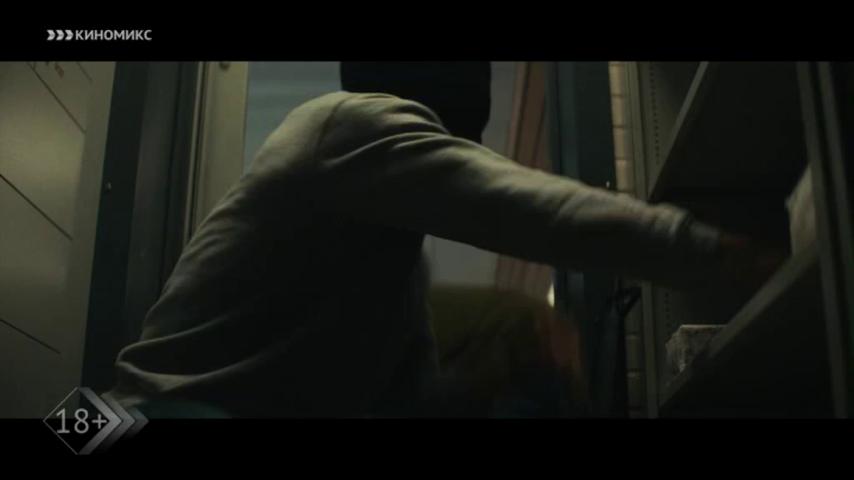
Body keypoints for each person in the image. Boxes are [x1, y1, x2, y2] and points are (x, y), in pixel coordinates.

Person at [106, 62, 773, 418]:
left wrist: (505, 368)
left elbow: (408, 395)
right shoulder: (348, 124)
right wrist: (721, 254)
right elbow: (536, 213)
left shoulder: (384, 249)